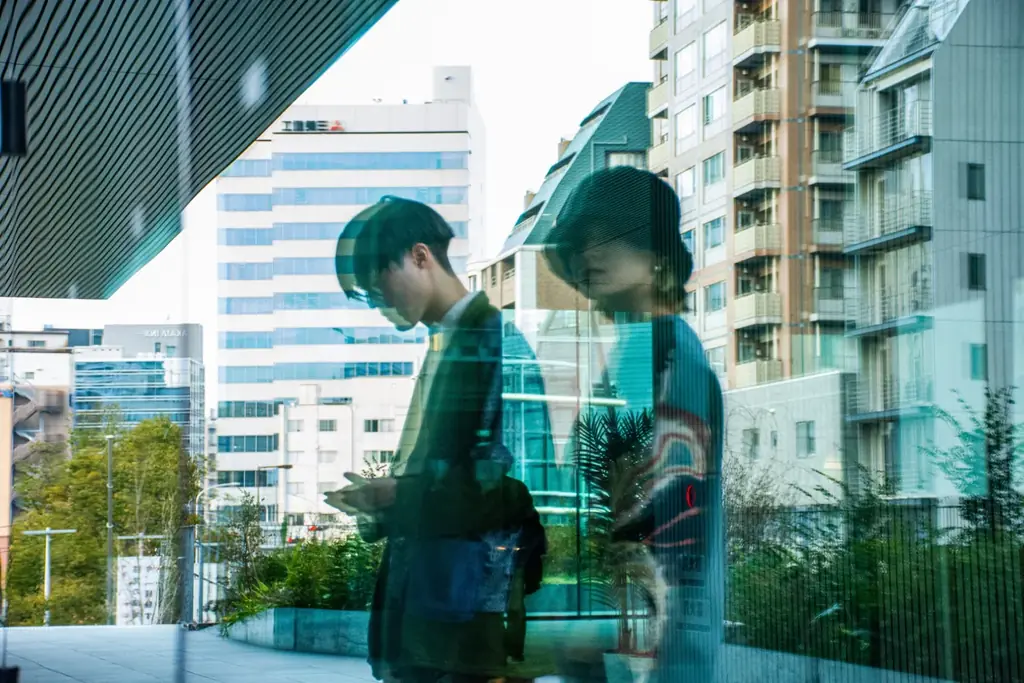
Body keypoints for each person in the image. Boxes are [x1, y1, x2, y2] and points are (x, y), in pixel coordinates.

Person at [330, 196, 543, 683]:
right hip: (436, 615)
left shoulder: (490, 340)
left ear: (420, 256)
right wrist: (385, 502)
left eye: (379, 286)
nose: (380, 304)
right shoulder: (450, 342)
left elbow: (507, 489)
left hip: (462, 620)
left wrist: (396, 494)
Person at [543, 166, 725, 683]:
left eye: (605, 236)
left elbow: (673, 518)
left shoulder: (666, 353)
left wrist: (602, 623)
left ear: (657, 255)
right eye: (579, 242)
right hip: (625, 636)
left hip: (647, 646)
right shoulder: (639, 350)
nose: (586, 255)